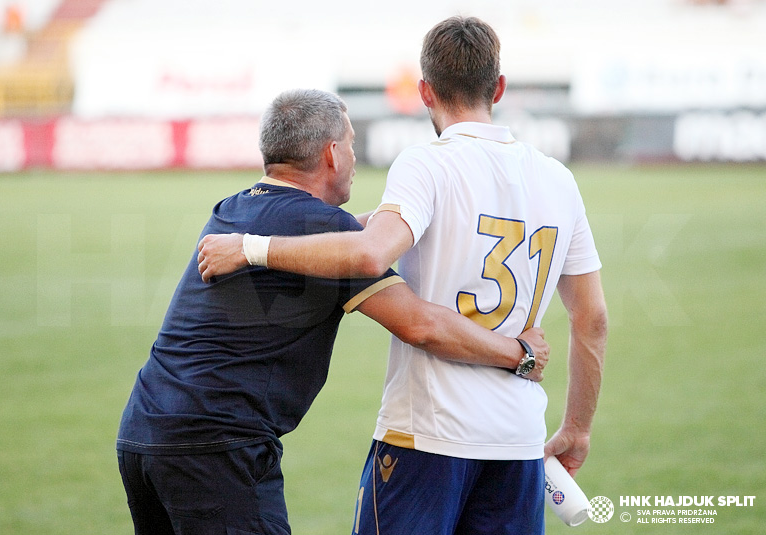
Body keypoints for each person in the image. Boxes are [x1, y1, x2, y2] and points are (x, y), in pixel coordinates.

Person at [197, 17, 608, 535]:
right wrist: (577, 428)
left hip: (427, 436)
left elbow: (371, 251)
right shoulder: (559, 181)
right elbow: (591, 318)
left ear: (424, 91)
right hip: (518, 441)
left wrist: (251, 247)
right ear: (498, 88)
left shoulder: (427, 164)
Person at [117, 88, 549, 535]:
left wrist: (420, 213)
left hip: (143, 434)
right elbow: (421, 325)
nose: (356, 158)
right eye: (353, 143)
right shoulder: (326, 230)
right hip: (218, 449)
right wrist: (519, 353)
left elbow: (337, 228)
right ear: (332, 153)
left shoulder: (232, 210)